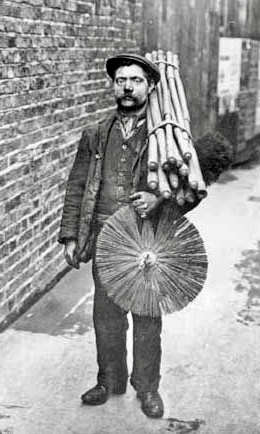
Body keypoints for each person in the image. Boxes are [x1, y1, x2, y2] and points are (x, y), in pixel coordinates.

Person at [58, 53, 233, 418]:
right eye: (120, 79)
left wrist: (159, 197)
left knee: (147, 315)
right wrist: (71, 236)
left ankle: (147, 387)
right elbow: (76, 187)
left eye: (135, 80)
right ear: (112, 85)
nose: (126, 86)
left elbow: (189, 188)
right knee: (106, 315)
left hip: (149, 239)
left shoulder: (167, 138)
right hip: (106, 237)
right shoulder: (94, 135)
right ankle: (110, 380)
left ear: (150, 86)